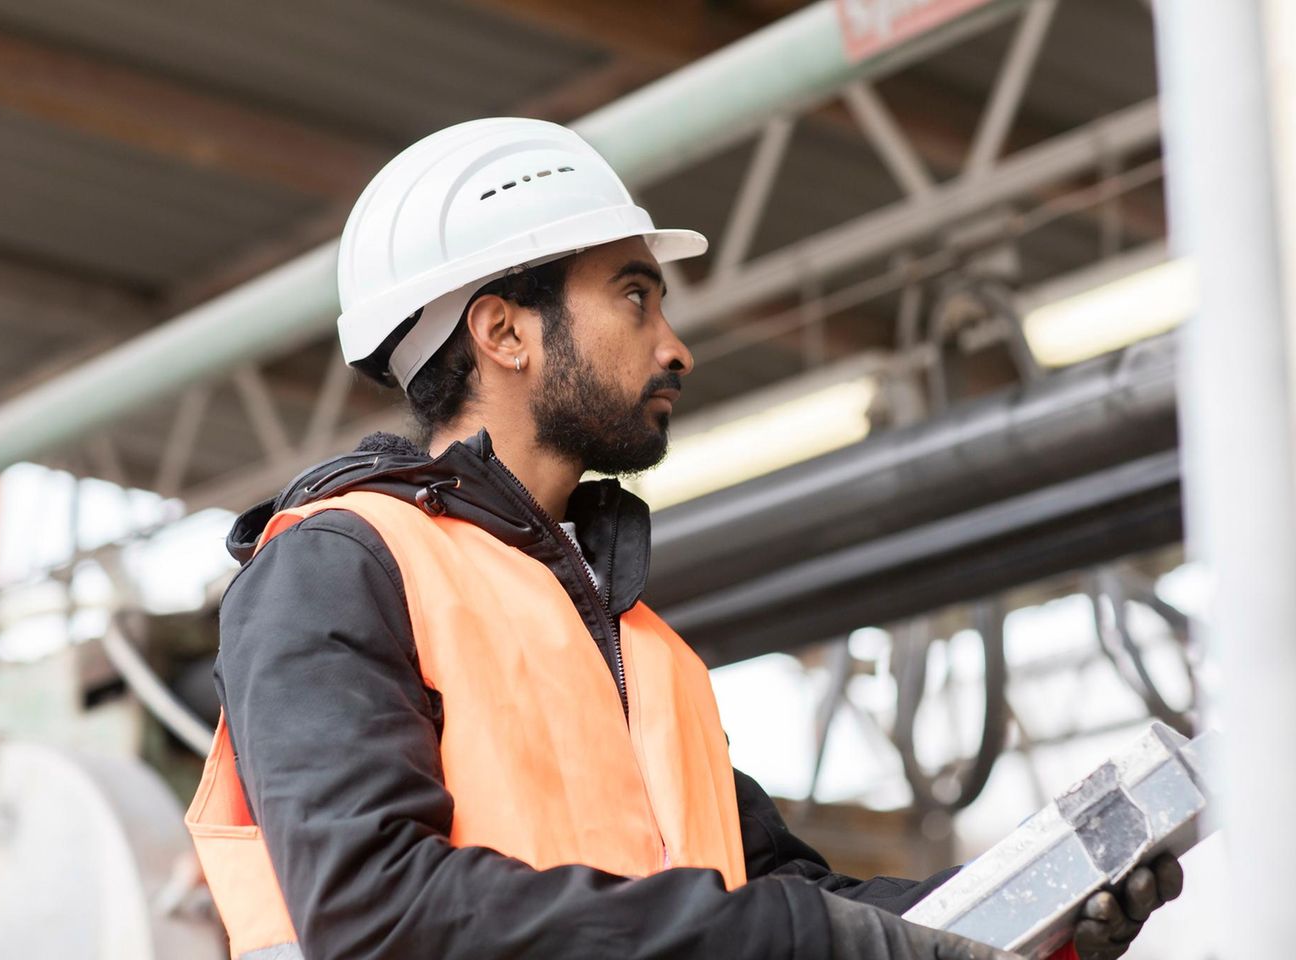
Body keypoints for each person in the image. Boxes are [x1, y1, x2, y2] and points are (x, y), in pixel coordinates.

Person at [185, 118, 1181, 960]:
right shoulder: (337, 564)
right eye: (633, 295)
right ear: (504, 334)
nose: (675, 345)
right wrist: (798, 936)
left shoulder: (640, 645)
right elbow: (375, 910)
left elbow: (783, 896)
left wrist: (1024, 911)